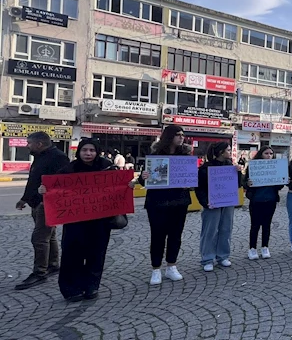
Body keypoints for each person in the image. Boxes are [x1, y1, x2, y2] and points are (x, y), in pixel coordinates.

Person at [38, 138, 134, 301]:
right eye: (84, 150)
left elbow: (119, 186)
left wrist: (129, 186)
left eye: (91, 150)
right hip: (75, 222)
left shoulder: (107, 168)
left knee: (96, 254)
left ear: (97, 152)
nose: (88, 153)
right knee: (72, 254)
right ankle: (71, 289)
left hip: (100, 221)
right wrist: (44, 190)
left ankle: (91, 286)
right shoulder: (69, 169)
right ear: (79, 152)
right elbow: (55, 189)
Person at [14, 132, 70, 291]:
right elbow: (34, 180)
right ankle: (53, 264)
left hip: (48, 203)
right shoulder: (39, 156)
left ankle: (39, 272)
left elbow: (63, 182)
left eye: (29, 143)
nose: (27, 146)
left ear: (39, 144)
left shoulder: (58, 157)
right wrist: (24, 199)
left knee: (39, 238)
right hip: (36, 203)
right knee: (49, 236)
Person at [139, 125, 193, 285]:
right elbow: (144, 179)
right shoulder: (155, 155)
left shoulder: (185, 155)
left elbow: (190, 178)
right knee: (157, 236)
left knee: (176, 235)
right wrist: (144, 176)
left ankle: (171, 265)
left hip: (179, 201)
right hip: (157, 201)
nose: (181, 137)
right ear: (169, 136)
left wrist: (189, 183)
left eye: (183, 135)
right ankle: (156, 268)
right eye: (178, 134)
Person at [196, 142, 239, 272]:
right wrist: (205, 202)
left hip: (227, 202)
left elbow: (236, 185)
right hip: (212, 204)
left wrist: (239, 173)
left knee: (226, 229)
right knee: (210, 231)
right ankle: (207, 258)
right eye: (228, 150)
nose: (230, 152)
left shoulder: (230, 165)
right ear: (221, 152)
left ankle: (223, 256)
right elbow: (200, 188)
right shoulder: (206, 168)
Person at [244, 146, 284, 260]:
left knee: (267, 225)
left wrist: (282, 179)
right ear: (261, 154)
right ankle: (252, 248)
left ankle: (265, 247)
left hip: (270, 200)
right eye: (266, 153)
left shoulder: (276, 167)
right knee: (255, 225)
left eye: (271, 154)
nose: (269, 156)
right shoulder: (253, 167)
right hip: (256, 200)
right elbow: (245, 182)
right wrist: (248, 183)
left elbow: (280, 186)